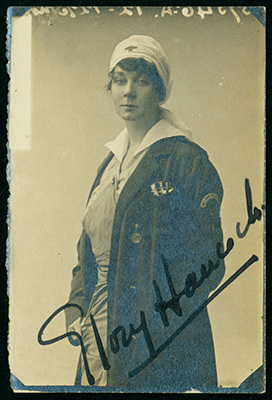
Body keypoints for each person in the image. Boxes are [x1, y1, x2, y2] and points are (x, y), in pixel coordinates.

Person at [65, 35, 225, 391]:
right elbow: (85, 255)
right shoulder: (107, 166)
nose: (128, 91)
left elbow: (209, 265)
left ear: (160, 90)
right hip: (99, 335)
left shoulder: (188, 163)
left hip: (156, 342)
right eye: (120, 80)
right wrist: (77, 309)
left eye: (141, 81)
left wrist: (152, 327)